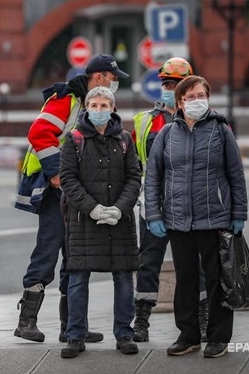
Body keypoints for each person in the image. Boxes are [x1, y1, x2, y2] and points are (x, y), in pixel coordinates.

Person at [14, 54, 129, 344]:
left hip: (74, 190)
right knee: (48, 251)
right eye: (114, 79)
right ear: (101, 77)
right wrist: (56, 175)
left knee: (75, 255)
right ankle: (27, 321)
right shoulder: (66, 99)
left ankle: (72, 326)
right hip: (55, 191)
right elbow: (39, 133)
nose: (115, 85)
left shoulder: (89, 103)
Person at [144, 75, 248, 358]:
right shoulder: (167, 133)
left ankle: (218, 337)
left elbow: (235, 174)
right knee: (186, 280)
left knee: (217, 280)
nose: (198, 101)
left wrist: (238, 213)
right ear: (179, 102)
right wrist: (154, 214)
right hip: (178, 220)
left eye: (202, 95)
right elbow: (153, 176)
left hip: (215, 218)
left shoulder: (220, 129)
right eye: (191, 97)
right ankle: (188, 335)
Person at [59, 86, 141, 358]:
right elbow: (68, 180)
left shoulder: (125, 139)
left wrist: (119, 209)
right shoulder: (74, 139)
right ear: (86, 108)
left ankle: (125, 333)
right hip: (85, 219)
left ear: (113, 108)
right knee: (78, 278)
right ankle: (75, 335)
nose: (98, 110)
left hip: (120, 220)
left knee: (124, 276)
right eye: (93, 105)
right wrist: (93, 208)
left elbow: (134, 177)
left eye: (104, 105)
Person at [130, 57, 208, 343]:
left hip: (189, 204)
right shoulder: (145, 122)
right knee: (148, 261)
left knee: (194, 263)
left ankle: (201, 315)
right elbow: (136, 164)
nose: (169, 89)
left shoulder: (204, 122)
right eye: (166, 84)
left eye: (174, 85)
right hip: (154, 203)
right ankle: (142, 319)